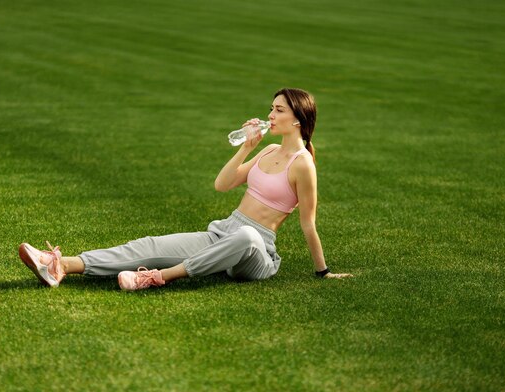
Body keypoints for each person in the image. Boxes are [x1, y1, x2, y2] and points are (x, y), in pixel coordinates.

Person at [19, 88, 353, 291]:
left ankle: (157, 277)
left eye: (278, 110)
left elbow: (308, 223)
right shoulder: (267, 151)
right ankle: (61, 265)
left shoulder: (302, 164)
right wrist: (246, 146)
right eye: (271, 107)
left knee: (248, 237)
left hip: (258, 252)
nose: (270, 115)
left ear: (298, 119)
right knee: (149, 244)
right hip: (225, 231)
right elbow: (222, 185)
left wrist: (323, 272)